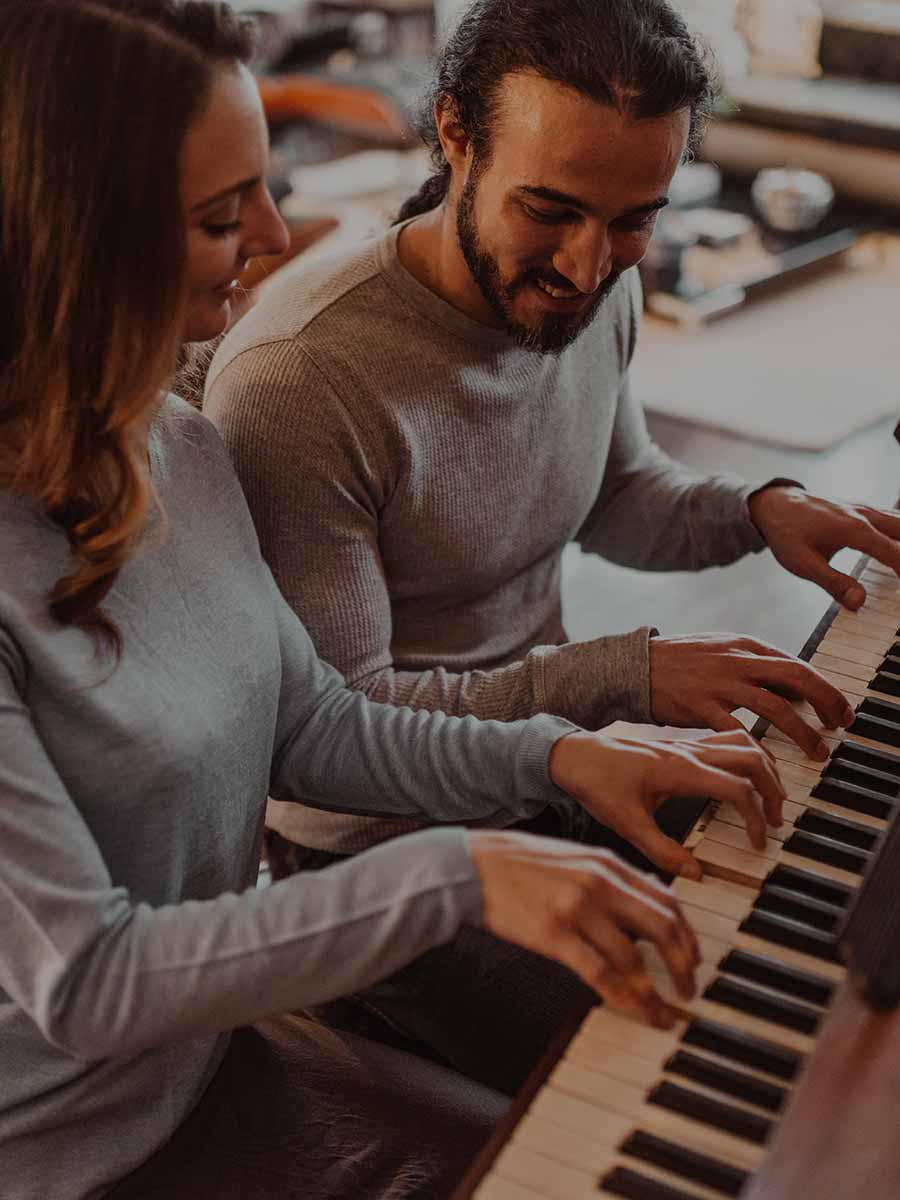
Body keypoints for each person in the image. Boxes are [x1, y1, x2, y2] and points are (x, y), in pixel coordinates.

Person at [0, 3, 787, 1198]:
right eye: (223, 216)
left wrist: (564, 760)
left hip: (211, 1053)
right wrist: (457, 874)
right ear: (70, 246)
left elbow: (313, 723)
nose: (273, 234)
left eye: (261, 192)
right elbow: (89, 981)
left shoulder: (174, 447)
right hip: (69, 1149)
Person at [204, 0, 900, 1092]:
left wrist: (759, 508)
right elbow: (337, 733)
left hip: (562, 755)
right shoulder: (303, 379)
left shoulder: (589, 292)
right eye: (551, 210)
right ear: (455, 138)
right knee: (692, 1060)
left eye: (634, 219)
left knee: (827, 892)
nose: (587, 266)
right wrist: (621, 675)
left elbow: (617, 492)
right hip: (389, 846)